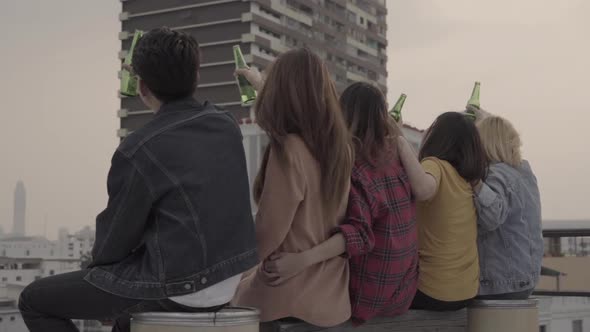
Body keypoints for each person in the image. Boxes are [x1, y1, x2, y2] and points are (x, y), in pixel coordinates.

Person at [18, 27, 258, 332]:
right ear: (196, 76)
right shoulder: (226, 125)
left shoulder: (139, 148)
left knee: (34, 300)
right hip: (226, 279)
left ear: (142, 86)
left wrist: (99, 272)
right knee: (124, 315)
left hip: (179, 286)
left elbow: (114, 241)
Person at [263, 82, 419, 325]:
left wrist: (300, 261)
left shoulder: (354, 164)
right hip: (402, 294)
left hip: (366, 300)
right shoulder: (396, 157)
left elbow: (358, 235)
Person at [231, 48, 354, 327]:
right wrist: (257, 81)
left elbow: (267, 235)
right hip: (332, 301)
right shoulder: (341, 150)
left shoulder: (289, 150)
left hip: (285, 299)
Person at [397, 112, 488, 311]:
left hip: (432, 290)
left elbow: (423, 188)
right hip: (466, 291)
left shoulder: (435, 165)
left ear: (439, 137)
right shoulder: (466, 179)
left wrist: (399, 141)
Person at [473, 116, 543, 299]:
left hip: (502, 283)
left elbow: (491, 217)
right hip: (524, 279)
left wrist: (475, 182)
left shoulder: (497, 175)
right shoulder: (523, 173)